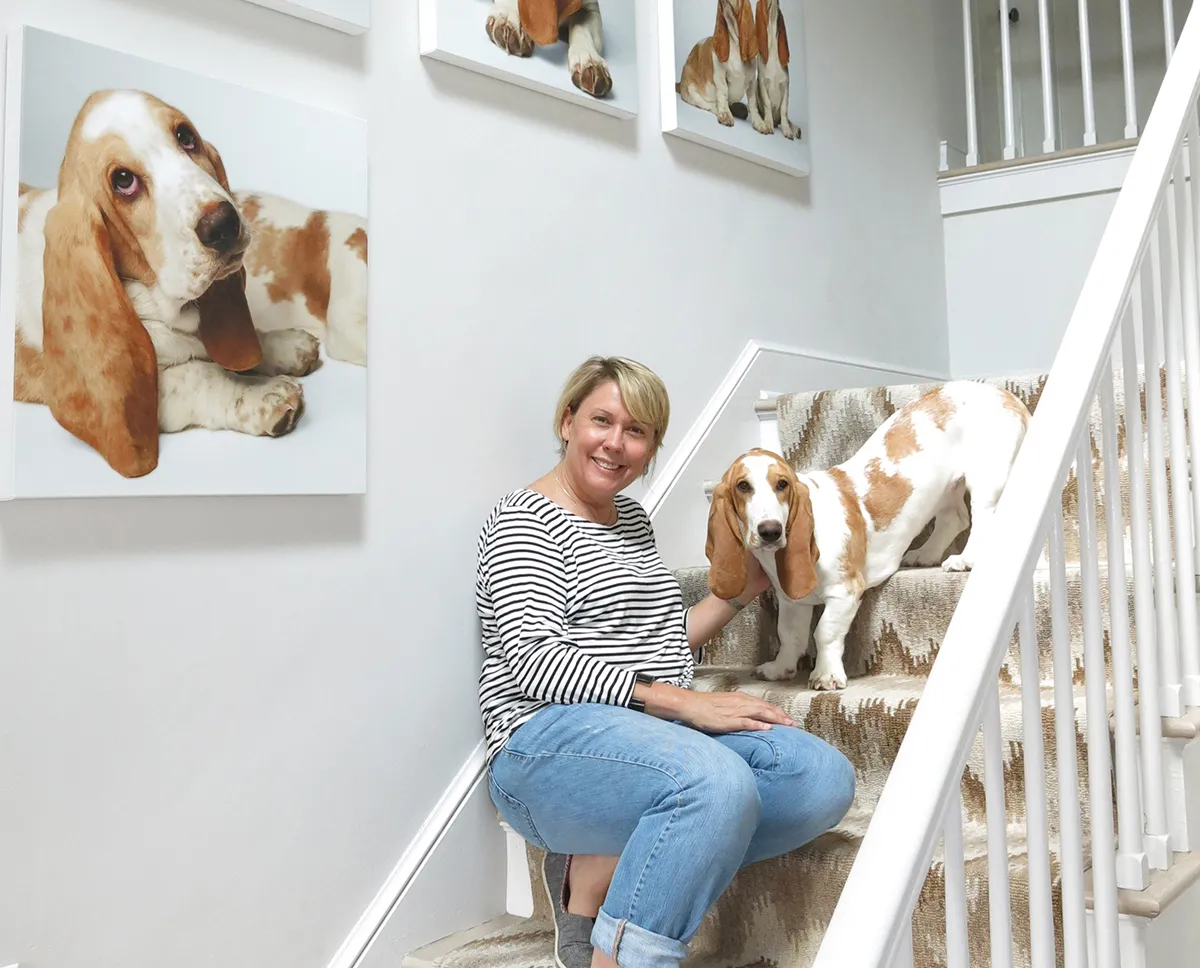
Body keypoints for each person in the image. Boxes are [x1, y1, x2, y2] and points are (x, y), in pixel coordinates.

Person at [474, 356, 856, 968]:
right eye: (602, 420)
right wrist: (688, 703)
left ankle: (606, 862)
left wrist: (737, 593)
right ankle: (623, 956)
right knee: (716, 783)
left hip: (650, 736)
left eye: (637, 432)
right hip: (542, 744)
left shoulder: (631, 520)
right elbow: (531, 659)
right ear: (568, 421)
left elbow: (659, 643)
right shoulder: (526, 519)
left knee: (817, 780)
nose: (616, 444)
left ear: (652, 447)